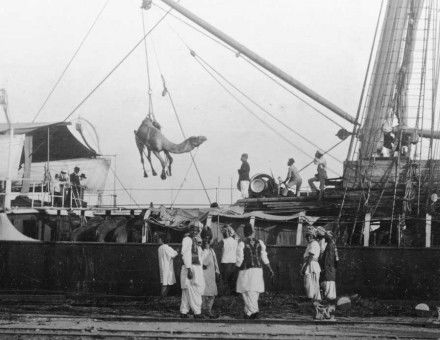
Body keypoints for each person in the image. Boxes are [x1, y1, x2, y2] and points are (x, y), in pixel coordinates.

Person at [236, 223, 274, 319]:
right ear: (253, 232)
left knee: (245, 291)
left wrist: (236, 267)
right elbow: (264, 257)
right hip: (258, 270)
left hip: (246, 270)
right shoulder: (260, 242)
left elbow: (239, 260)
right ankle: (248, 313)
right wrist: (270, 269)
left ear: (245, 232)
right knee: (254, 292)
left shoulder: (241, 243)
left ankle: (254, 311)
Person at [180, 223, 205, 318]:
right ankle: (197, 312)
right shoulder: (187, 239)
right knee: (193, 289)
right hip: (190, 267)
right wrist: (189, 268)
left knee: (188, 290)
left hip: (196, 268)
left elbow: (200, 257)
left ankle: (184, 311)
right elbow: (185, 254)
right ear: (189, 230)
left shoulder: (196, 241)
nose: (195, 232)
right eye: (193, 230)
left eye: (196, 230)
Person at [301, 227, 321, 318]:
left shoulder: (314, 244)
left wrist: (305, 267)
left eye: (310, 236)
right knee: (309, 286)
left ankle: (316, 309)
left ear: (313, 236)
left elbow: (310, 256)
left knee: (312, 286)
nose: (308, 237)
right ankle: (315, 308)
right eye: (307, 236)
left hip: (312, 266)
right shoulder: (310, 244)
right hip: (309, 265)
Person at [319, 231, 339, 320]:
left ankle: (331, 315)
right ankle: (329, 314)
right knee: (330, 295)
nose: (324, 237)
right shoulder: (333, 245)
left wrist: (324, 271)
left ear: (329, 237)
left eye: (326, 236)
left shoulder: (330, 246)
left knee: (329, 296)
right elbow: (336, 261)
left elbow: (328, 261)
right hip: (331, 273)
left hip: (328, 274)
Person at [201, 227, 220, 318]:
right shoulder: (200, 250)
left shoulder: (212, 251)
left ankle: (208, 310)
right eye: (205, 237)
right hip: (203, 275)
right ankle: (202, 310)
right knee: (203, 293)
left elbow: (215, 262)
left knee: (212, 294)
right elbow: (203, 263)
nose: (206, 239)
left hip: (211, 275)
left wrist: (217, 272)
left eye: (208, 237)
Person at [156, 232, 178, 297]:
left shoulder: (160, 248)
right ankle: (163, 296)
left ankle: (163, 296)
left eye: (158, 239)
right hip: (167, 268)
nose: (158, 240)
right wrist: (177, 251)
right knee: (165, 283)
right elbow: (173, 255)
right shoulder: (166, 247)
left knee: (165, 282)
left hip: (163, 267)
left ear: (162, 239)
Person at [220, 225, 238, 295]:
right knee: (232, 281)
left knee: (225, 281)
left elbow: (221, 253)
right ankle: (231, 296)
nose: (223, 233)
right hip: (233, 262)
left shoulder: (223, 241)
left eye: (224, 232)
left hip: (225, 262)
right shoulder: (235, 241)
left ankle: (224, 295)